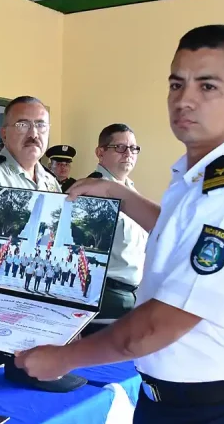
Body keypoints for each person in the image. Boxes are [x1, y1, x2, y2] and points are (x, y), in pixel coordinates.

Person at [15, 25, 224, 424]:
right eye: (176, 84)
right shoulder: (198, 177)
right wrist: (122, 196)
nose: (185, 100)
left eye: (208, 87)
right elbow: (179, 235)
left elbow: (158, 325)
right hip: (168, 398)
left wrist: (64, 358)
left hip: (217, 407)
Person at [0, 95, 60, 372]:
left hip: (42, 303)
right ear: (4, 133)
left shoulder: (50, 182)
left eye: (41, 125)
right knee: (0, 387)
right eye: (23, 124)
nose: (34, 133)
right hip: (2, 308)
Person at [80, 124, 148, 337]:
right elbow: (80, 256)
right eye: (120, 147)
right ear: (100, 152)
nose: (128, 153)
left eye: (133, 148)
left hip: (130, 296)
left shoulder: (130, 189)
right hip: (102, 297)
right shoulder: (92, 192)